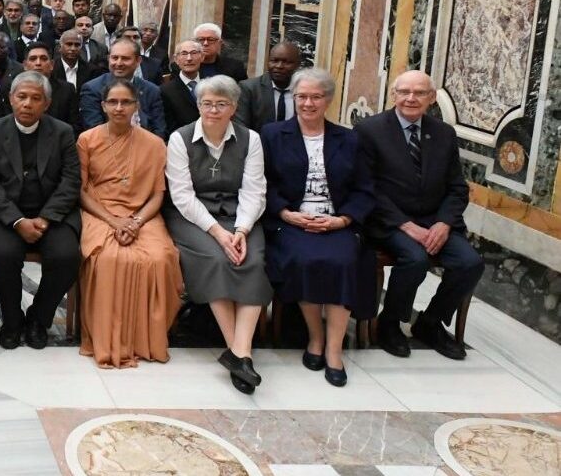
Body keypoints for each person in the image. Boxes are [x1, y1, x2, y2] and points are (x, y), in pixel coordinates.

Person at [357, 70, 482, 361]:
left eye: (420, 93)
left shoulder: (444, 133)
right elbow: (367, 187)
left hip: (436, 221)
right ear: (394, 95)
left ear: (432, 98)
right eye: (404, 92)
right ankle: (388, 323)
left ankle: (430, 322)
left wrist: (443, 222)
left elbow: (457, 188)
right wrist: (405, 224)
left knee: (470, 263)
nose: (411, 98)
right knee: (415, 259)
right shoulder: (370, 130)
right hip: (389, 221)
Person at [262, 68, 375, 387]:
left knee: (343, 262)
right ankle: (316, 337)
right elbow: (263, 184)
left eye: (315, 97)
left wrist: (342, 219)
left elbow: (364, 189)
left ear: (327, 100)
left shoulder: (349, 139)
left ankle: (335, 351)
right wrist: (285, 214)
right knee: (305, 261)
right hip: (294, 221)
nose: (308, 103)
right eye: (301, 96)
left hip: (336, 222)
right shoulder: (272, 135)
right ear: (293, 98)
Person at [164, 75, 270, 393]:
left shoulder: (251, 139)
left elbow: (255, 191)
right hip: (194, 218)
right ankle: (240, 352)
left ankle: (239, 354)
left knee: (251, 259)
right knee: (214, 259)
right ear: (198, 105)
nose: (213, 110)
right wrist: (218, 233)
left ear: (233, 107)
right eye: (207, 103)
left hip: (241, 216)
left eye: (221, 104)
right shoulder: (179, 139)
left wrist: (241, 230)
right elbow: (182, 196)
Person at [76, 79, 183, 368]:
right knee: (109, 258)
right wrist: (114, 221)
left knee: (161, 258)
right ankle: (109, 339)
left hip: (143, 214)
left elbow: (157, 194)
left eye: (126, 102)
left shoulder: (154, 143)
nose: (119, 108)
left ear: (137, 106)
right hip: (101, 212)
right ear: (103, 106)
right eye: (113, 102)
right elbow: (82, 191)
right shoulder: (87, 139)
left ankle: (146, 340)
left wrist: (134, 223)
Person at [0, 71, 83, 350]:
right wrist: (17, 220)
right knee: (2, 254)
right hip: (6, 216)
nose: (27, 104)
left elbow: (71, 181)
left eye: (35, 98)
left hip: (52, 214)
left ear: (46, 104)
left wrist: (46, 218)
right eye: (21, 97)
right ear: (11, 99)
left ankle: (39, 318)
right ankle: (12, 321)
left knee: (66, 255)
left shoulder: (62, 132)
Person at [79, 38, 167, 136]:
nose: (119, 63)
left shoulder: (152, 90)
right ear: (108, 59)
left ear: (138, 61)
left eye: (125, 58)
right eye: (115, 58)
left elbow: (159, 130)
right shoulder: (92, 89)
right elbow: (95, 130)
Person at [237, 42, 302, 130]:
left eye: (286, 62)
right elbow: (241, 128)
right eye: (274, 61)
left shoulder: (304, 90)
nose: (279, 66)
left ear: (297, 65)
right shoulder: (249, 88)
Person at [160, 40, 204, 132]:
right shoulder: (165, 90)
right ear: (176, 59)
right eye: (184, 54)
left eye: (194, 53)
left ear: (202, 57)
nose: (189, 58)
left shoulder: (212, 85)